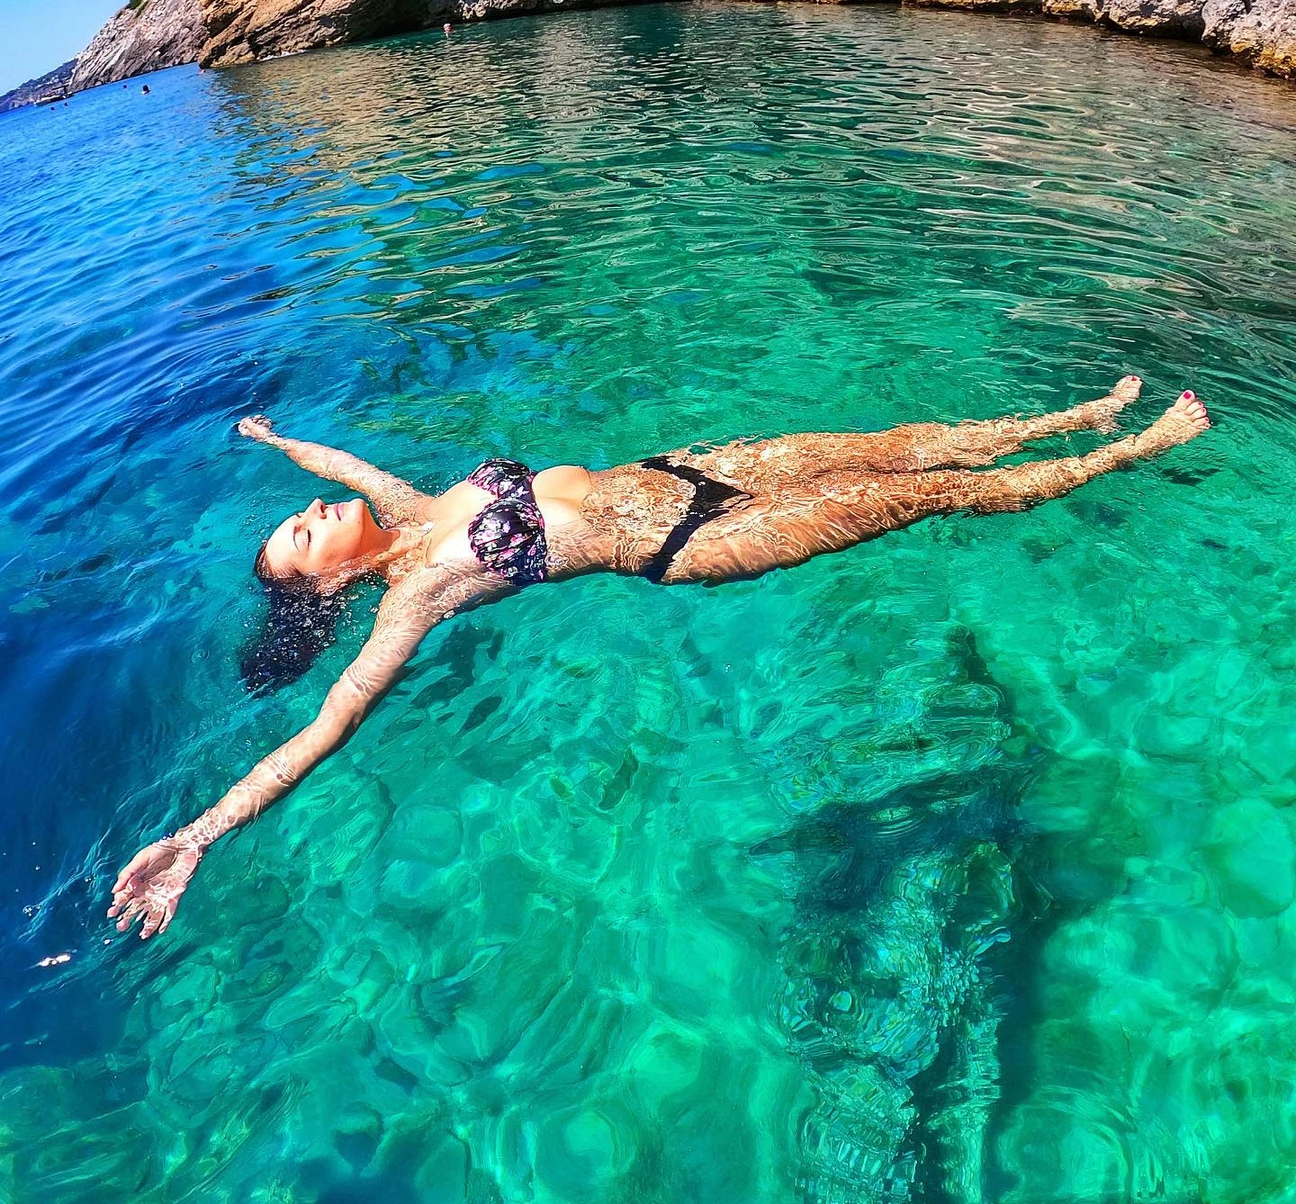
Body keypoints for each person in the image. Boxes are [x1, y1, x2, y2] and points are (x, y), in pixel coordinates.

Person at [109, 377, 1209, 937]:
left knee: (893, 444)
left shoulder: (405, 509)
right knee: (927, 495)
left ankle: (1070, 414)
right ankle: (1133, 445)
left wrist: (271, 442)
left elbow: (335, 455)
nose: (313, 507)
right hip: (691, 539)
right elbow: (322, 733)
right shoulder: (410, 599)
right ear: (332, 585)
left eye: (300, 511)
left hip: (684, 468)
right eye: (303, 532)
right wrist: (197, 837)